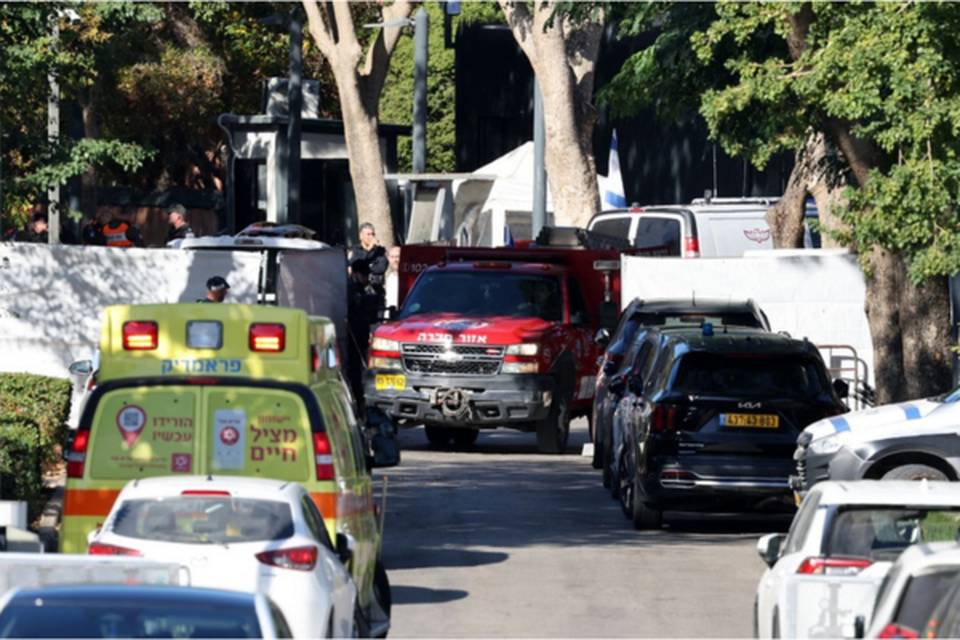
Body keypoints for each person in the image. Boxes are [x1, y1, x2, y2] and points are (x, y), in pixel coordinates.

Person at [346, 258, 380, 416]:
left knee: (360, 373)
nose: (366, 278)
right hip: (352, 339)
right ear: (355, 274)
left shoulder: (363, 289)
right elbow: (355, 308)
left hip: (361, 337)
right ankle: (358, 405)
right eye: (364, 275)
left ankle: (362, 404)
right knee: (355, 373)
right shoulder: (350, 289)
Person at [347, 222, 388, 304]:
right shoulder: (355, 251)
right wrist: (369, 250)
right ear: (361, 236)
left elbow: (381, 268)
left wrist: (365, 269)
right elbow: (356, 264)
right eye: (368, 234)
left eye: (373, 234)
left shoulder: (379, 251)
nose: (371, 237)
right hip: (358, 292)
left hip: (376, 291)